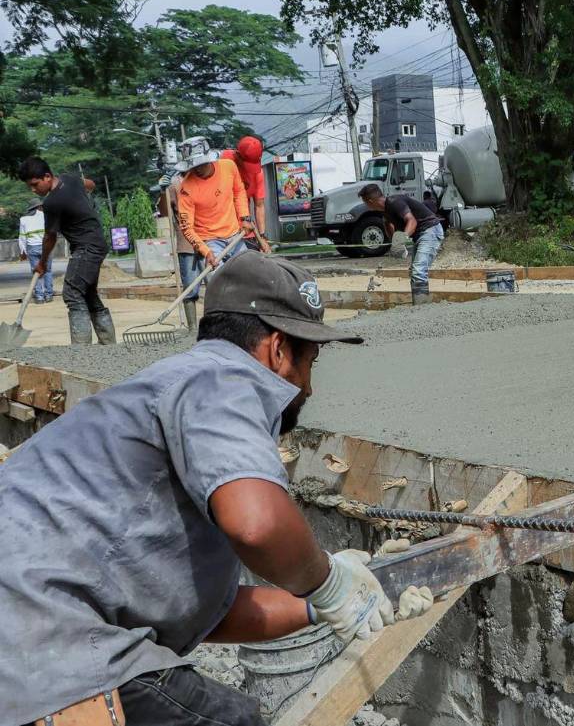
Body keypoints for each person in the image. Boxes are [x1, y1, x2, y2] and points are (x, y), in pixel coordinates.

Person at [0, 252, 434, 725]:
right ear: (277, 349)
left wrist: (335, 600)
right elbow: (257, 525)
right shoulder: (221, 379)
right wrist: (329, 581)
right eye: (311, 360)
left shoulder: (168, 395)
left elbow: (210, 617)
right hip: (39, 638)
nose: (308, 388)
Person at [17, 157, 116, 344]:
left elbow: (50, 237)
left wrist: (42, 262)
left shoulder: (52, 203)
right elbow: (90, 184)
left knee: (72, 293)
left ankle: (80, 351)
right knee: (87, 293)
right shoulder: (69, 179)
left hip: (87, 247)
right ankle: (109, 345)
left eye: (35, 184)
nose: (33, 190)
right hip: (96, 242)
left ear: (47, 176)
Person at [176, 136, 256, 270]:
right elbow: (186, 228)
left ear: (209, 159)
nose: (197, 169)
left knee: (249, 273)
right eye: (193, 166)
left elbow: (239, 191)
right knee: (217, 281)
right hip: (209, 242)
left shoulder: (228, 167)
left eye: (201, 164)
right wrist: (205, 251)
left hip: (235, 235)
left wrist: (244, 218)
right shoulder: (186, 190)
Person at [358, 183, 444, 305]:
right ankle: (420, 305)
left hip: (430, 230)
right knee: (415, 271)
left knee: (419, 270)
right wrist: (395, 243)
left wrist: (400, 240)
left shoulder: (395, 202)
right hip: (421, 234)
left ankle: (423, 308)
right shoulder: (385, 211)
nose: (365, 205)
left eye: (365, 202)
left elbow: (412, 221)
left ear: (370, 201)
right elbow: (391, 228)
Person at [167, 175, 207, 330]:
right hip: (186, 244)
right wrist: (163, 190)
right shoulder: (174, 186)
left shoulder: (204, 182)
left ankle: (214, 325)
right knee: (190, 288)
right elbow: (165, 210)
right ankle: (192, 328)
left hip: (208, 241)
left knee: (215, 285)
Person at [221, 135, 271, 252]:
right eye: (247, 163)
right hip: (222, 231)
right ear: (237, 154)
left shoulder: (257, 173)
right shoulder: (222, 161)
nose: (249, 170)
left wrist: (262, 237)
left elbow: (259, 206)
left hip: (246, 229)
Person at [17, 199, 54, 304]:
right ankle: (49, 295)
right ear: (38, 207)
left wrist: (22, 251)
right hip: (46, 247)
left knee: (36, 272)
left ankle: (39, 297)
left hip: (32, 248)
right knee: (48, 271)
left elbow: (22, 237)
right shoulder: (46, 216)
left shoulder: (23, 219)